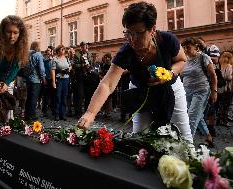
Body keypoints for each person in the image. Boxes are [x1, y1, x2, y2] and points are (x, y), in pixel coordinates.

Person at [77, 2, 193, 143]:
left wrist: (169, 74)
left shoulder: (168, 40)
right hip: (140, 91)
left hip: (172, 88)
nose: (132, 39)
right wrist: (90, 113)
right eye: (128, 33)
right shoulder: (125, 52)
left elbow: (182, 60)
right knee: (139, 138)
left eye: (138, 33)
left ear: (153, 29)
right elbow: (108, 83)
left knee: (184, 135)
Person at [0, 15, 28, 123]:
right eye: (8, 32)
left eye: (15, 32)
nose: (12, 36)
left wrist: (7, 83)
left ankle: (5, 129)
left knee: (7, 110)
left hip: (6, 82)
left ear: (20, 34)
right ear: (3, 32)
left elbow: (15, 69)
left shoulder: (20, 48)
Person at [180, 37, 217, 146]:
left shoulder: (203, 57)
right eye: (184, 48)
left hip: (201, 91)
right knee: (198, 116)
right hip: (187, 92)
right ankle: (208, 137)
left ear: (196, 47)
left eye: (188, 47)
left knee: (191, 116)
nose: (185, 50)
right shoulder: (184, 60)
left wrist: (214, 91)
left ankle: (186, 145)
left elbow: (213, 75)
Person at [24, 41, 46, 121]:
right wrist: (43, 78)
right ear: (37, 46)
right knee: (34, 98)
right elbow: (41, 68)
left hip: (28, 79)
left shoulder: (28, 55)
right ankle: (32, 116)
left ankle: (26, 114)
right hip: (36, 80)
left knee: (28, 97)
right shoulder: (38, 54)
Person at [51, 45, 71, 121]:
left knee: (64, 97)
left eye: (64, 49)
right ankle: (57, 114)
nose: (64, 50)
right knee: (58, 97)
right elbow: (53, 70)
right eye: (62, 49)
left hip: (66, 79)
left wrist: (68, 69)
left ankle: (63, 114)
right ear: (58, 50)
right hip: (59, 79)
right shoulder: (55, 59)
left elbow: (70, 66)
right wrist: (53, 82)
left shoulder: (66, 58)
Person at [73, 41, 93, 117]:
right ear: (81, 47)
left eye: (87, 45)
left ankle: (87, 112)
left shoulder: (89, 54)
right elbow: (74, 65)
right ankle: (78, 112)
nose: (87, 46)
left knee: (88, 94)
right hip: (80, 77)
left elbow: (91, 63)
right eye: (85, 45)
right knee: (80, 95)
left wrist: (90, 66)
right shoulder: (77, 55)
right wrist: (83, 65)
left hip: (88, 77)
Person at [216, 51, 233, 127]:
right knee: (226, 105)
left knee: (220, 104)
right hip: (227, 88)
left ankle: (219, 119)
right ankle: (224, 120)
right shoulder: (229, 66)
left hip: (219, 89)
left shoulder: (219, 66)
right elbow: (228, 77)